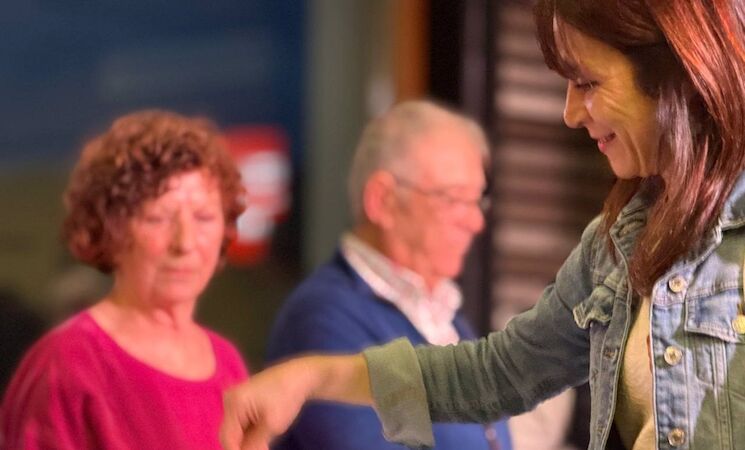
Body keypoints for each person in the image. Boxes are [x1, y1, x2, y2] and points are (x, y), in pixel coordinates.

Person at [221, 0, 745, 449]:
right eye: (452, 199)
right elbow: (498, 373)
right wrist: (310, 377)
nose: (569, 113)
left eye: (588, 82)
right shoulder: (615, 244)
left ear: (677, 69)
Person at [265, 100, 512, 450]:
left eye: (477, 201)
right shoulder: (323, 317)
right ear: (382, 200)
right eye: (455, 199)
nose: (475, 222)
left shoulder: (446, 316)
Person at [1, 110, 249, 449]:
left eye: (204, 217)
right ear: (111, 230)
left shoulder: (227, 362)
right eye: (157, 218)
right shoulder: (67, 363)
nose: (186, 242)